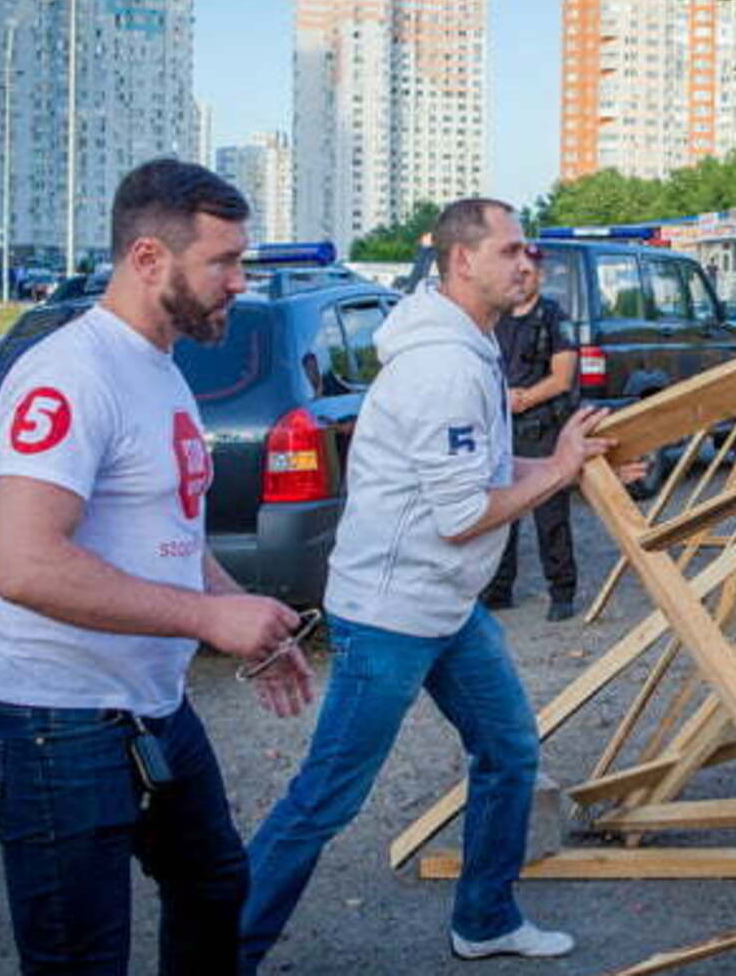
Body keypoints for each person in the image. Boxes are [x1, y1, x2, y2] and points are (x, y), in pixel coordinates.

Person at [240, 199, 644, 969]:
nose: (529, 265)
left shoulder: (469, 349)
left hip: (443, 606)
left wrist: (578, 468)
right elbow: (464, 515)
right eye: (512, 251)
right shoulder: (443, 367)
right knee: (326, 799)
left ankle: (485, 918)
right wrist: (559, 468)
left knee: (509, 750)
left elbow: (486, 477)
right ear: (462, 261)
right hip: (391, 616)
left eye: (531, 253)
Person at [0, 158, 314, 974]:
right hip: (54, 721)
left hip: (147, 708)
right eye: (223, 263)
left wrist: (244, 618)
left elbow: (171, 536)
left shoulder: (159, 370)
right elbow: (23, 565)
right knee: (83, 958)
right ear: (149, 259)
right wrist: (206, 620)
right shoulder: (71, 373)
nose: (239, 281)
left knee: (214, 886)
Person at [477, 253, 582, 621]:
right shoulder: (498, 318)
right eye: (516, 271)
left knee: (549, 513)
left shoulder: (554, 318)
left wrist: (521, 400)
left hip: (541, 425)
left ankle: (562, 592)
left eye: (528, 271)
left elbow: (562, 377)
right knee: (502, 510)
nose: (521, 277)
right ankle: (498, 589)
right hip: (503, 426)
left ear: (540, 276)